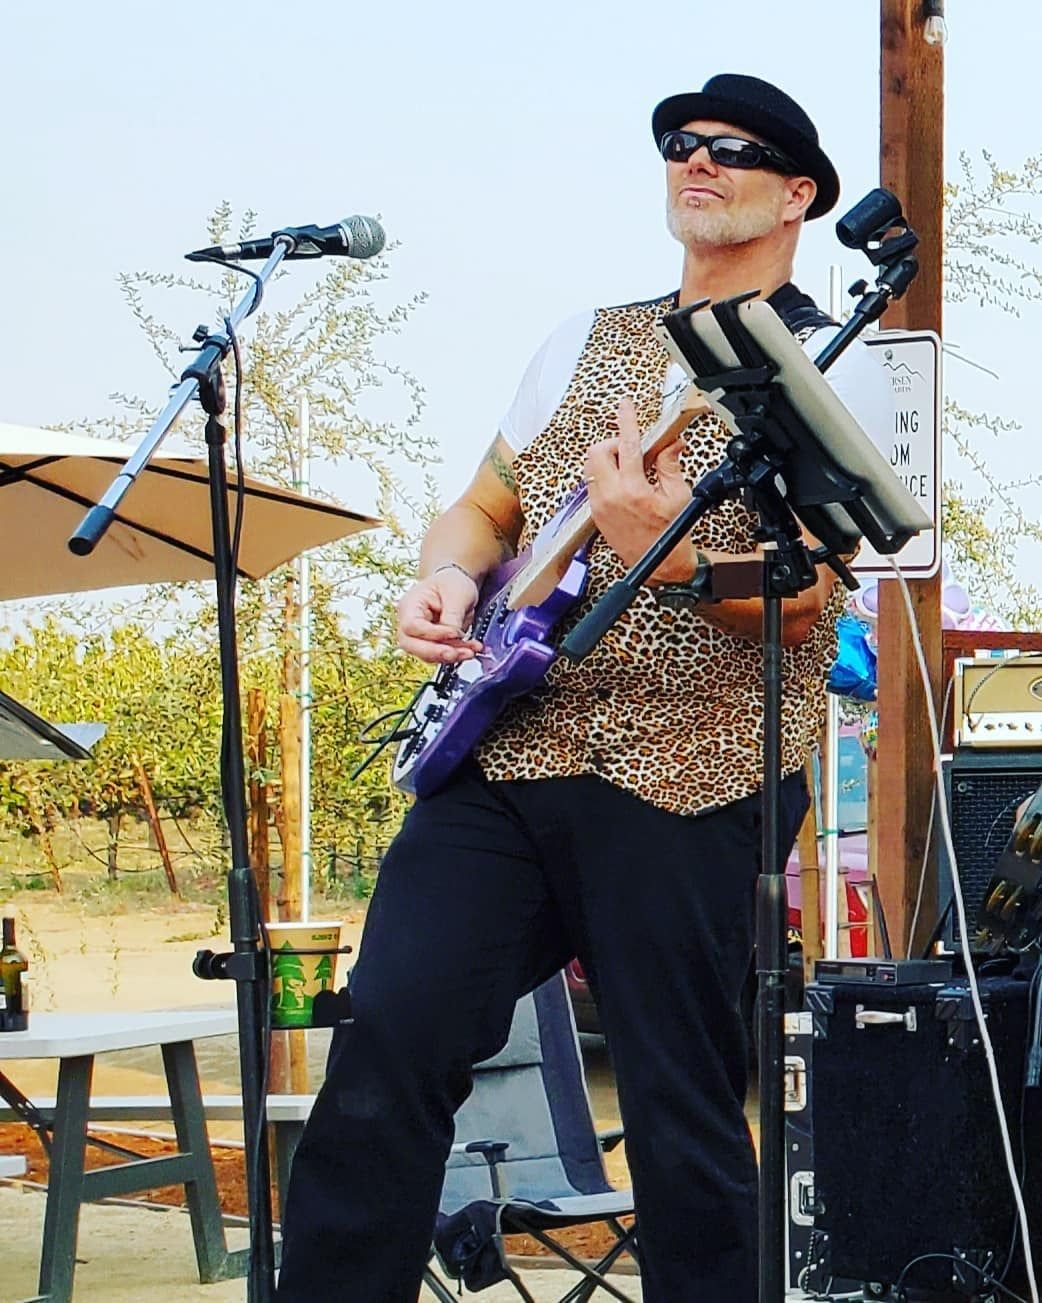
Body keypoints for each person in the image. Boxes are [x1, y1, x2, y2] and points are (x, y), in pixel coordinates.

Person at [277, 73, 892, 1302]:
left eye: (732, 149)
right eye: (680, 143)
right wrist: (446, 576)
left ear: (797, 195)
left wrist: (664, 548)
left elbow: (809, 598)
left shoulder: (837, 362)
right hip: (509, 749)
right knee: (388, 1039)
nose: (696, 161)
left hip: (690, 771)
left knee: (679, 1109)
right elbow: (482, 504)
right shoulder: (581, 337)